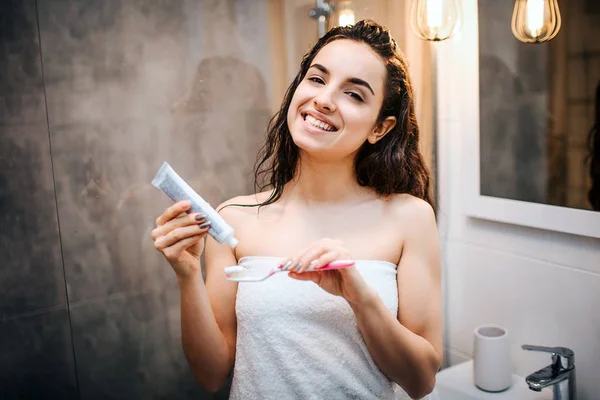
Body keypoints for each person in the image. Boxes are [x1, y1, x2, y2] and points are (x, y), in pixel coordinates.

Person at [151, 20, 442, 400]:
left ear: (380, 128)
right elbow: (211, 373)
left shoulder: (410, 219)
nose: (323, 99)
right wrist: (186, 274)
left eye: (354, 94)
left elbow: (421, 383)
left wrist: (360, 297)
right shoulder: (235, 219)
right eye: (317, 79)